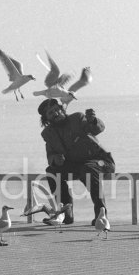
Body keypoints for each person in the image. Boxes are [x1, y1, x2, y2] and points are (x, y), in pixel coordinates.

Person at [38, 96, 115, 226]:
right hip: (76, 166)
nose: (56, 113)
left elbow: (97, 129)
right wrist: (56, 160)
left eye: (57, 110)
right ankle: (65, 214)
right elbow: (50, 156)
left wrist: (92, 120)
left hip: (101, 162)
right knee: (51, 172)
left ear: (62, 109)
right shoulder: (48, 133)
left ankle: (101, 216)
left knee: (88, 169)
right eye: (51, 113)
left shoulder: (77, 118)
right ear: (46, 119)